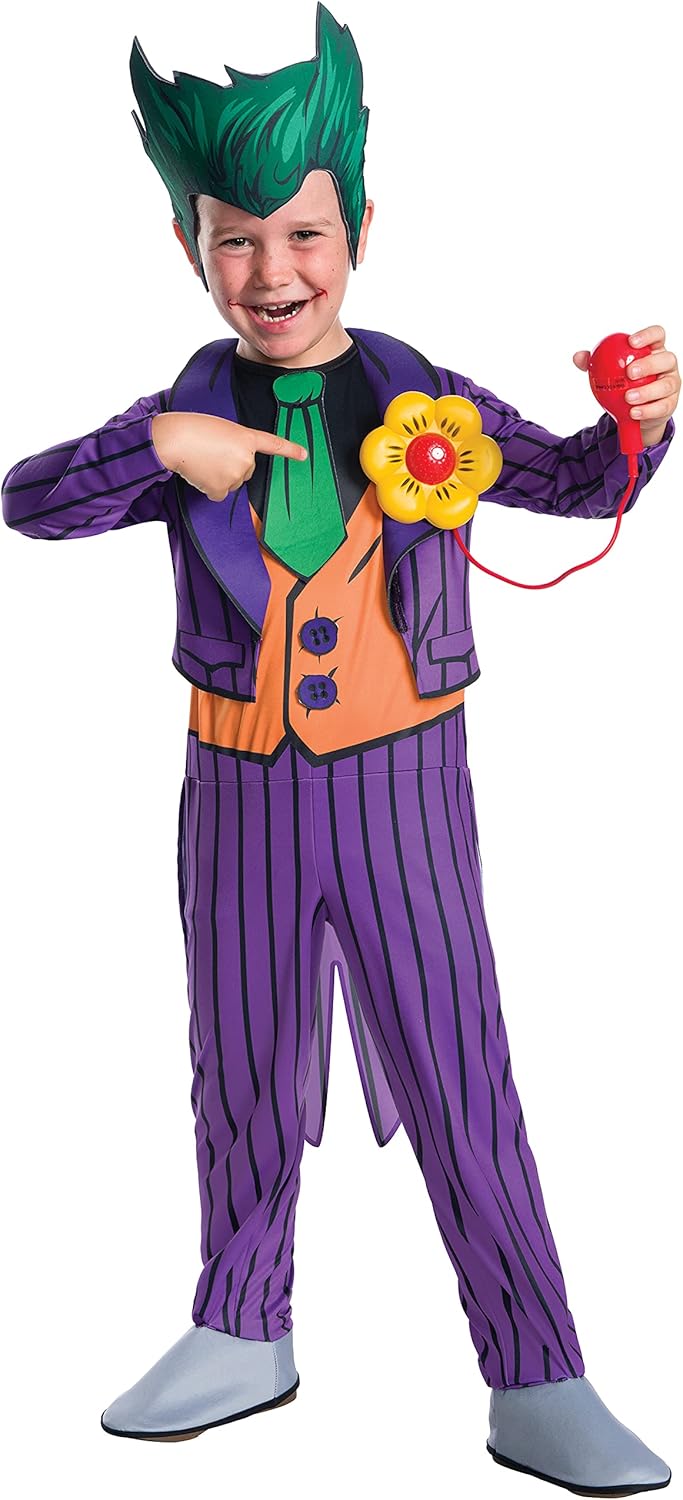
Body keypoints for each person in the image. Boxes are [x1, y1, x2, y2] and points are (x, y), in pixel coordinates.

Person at [2, 5, 679, 1489]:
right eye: (235, 241)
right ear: (190, 247)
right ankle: (242, 1325)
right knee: (238, 1062)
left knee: (458, 1070)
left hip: (402, 790)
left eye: (303, 233)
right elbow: (28, 502)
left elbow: (575, 485)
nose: (273, 273)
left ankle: (537, 1370)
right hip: (234, 789)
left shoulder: (425, 401)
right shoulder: (185, 411)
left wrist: (637, 420)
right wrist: (152, 452)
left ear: (359, 230)